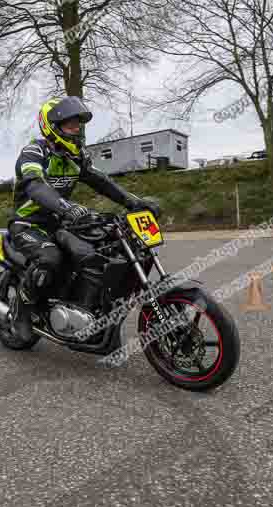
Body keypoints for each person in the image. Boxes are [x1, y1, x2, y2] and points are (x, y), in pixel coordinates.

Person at [9, 95, 160, 340]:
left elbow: (102, 182)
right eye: (70, 124)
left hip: (61, 223)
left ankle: (85, 308)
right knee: (50, 258)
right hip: (29, 224)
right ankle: (22, 314)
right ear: (53, 127)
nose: (77, 129)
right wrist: (65, 206)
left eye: (79, 124)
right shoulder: (34, 151)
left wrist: (135, 202)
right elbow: (35, 185)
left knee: (97, 251)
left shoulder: (76, 157)